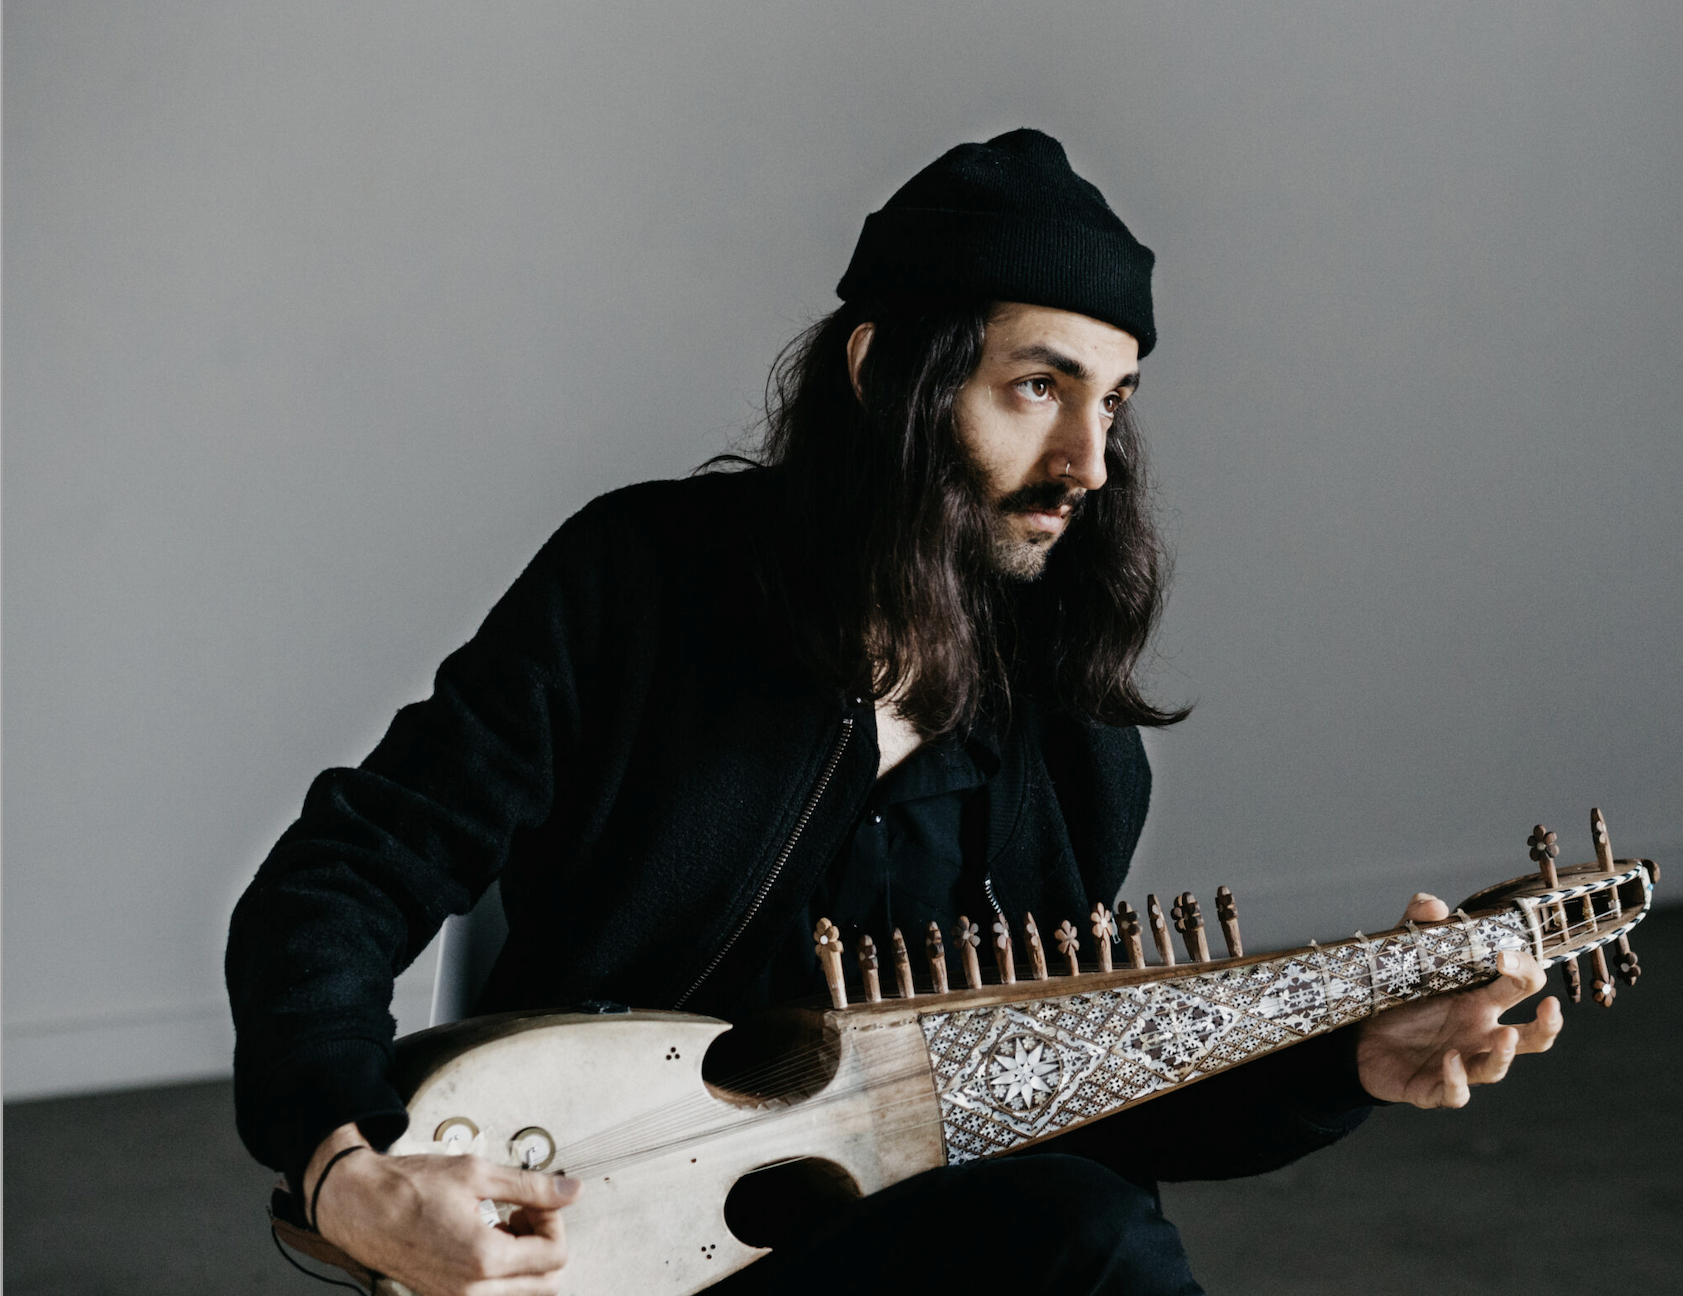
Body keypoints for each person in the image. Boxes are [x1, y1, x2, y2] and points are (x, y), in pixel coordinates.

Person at [226, 128, 1563, 1296]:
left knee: (1086, 1227)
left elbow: (1060, 1104)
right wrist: (347, 1165)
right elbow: (340, 881)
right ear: (882, 372)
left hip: (869, 1253)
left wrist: (1346, 1065)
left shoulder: (1067, 731)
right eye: (1037, 387)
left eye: (1114, 402)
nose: (1087, 462)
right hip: (591, 1240)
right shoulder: (638, 583)